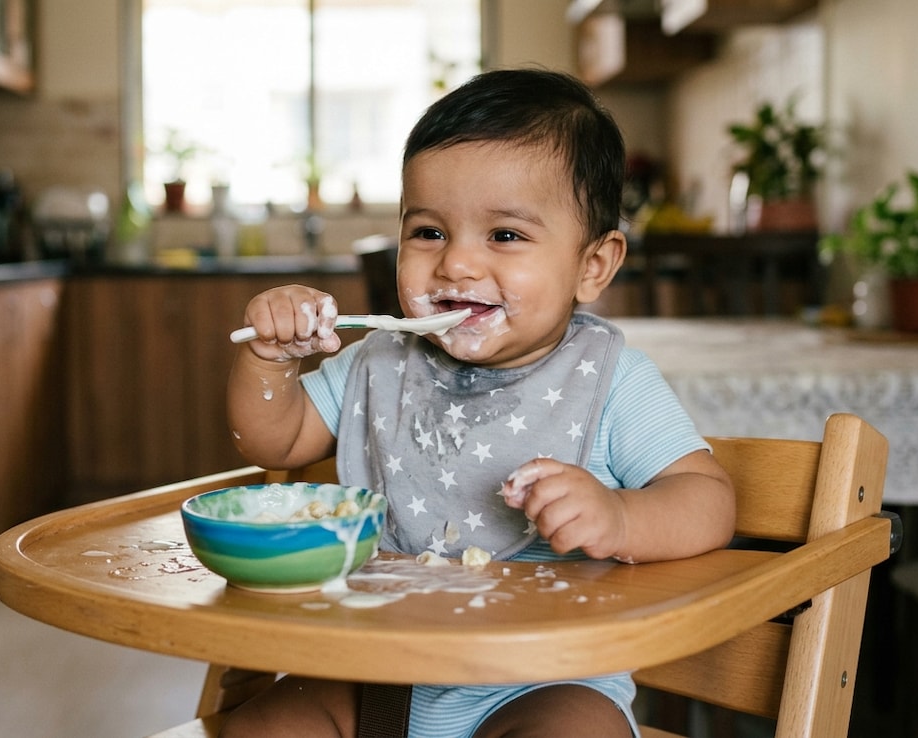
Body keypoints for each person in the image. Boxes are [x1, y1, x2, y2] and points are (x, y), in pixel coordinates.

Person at [222, 68, 736, 738]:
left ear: (593, 266)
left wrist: (620, 516)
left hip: (544, 678)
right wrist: (270, 359)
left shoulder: (610, 381)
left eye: (505, 236)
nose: (457, 264)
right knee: (265, 728)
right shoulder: (379, 363)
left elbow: (708, 500)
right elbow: (275, 441)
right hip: (374, 667)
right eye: (429, 232)